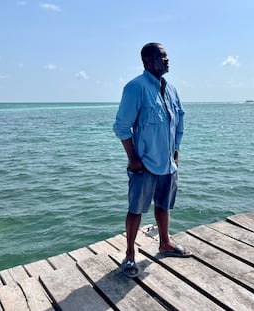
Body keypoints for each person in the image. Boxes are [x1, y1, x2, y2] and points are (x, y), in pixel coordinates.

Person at [113, 42, 192, 278]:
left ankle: (165, 243)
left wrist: (175, 151)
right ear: (148, 61)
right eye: (162, 57)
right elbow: (121, 126)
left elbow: (179, 122)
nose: (167, 60)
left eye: (167, 56)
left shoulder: (171, 89)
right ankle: (129, 255)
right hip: (145, 163)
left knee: (164, 205)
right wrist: (133, 158)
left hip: (168, 163)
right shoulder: (135, 87)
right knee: (136, 209)